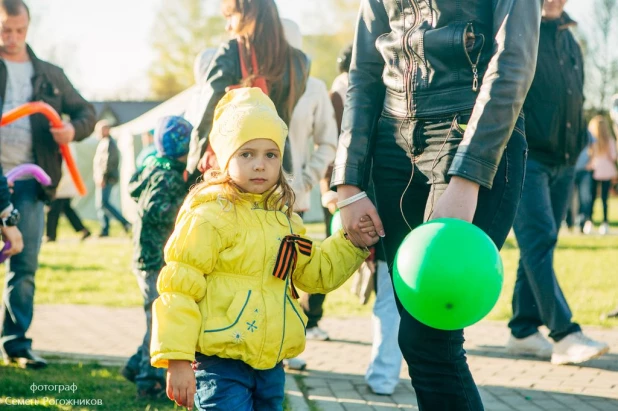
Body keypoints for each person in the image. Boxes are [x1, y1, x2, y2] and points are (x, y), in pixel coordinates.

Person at [333, 0, 542, 409]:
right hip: (391, 149)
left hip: (471, 136)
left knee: (431, 337)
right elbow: (362, 72)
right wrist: (349, 182)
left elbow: (512, 61)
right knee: (417, 338)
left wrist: (469, 176)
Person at [150, 88, 370, 410]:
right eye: (247, 154)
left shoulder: (285, 220)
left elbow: (316, 273)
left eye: (271, 155)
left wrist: (352, 242)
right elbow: (178, 287)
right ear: (225, 159)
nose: (260, 165)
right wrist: (178, 358)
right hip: (219, 364)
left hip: (271, 365)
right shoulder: (209, 216)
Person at [506, 1, 609, 366]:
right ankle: (565, 334)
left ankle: (521, 329)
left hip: (564, 160)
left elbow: (574, 98)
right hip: (525, 156)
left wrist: (580, 142)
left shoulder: (570, 39)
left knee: (540, 242)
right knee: (539, 237)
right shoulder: (515, 27)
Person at [0, 0, 95, 369]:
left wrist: (72, 130)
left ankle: (17, 344)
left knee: (23, 265)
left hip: (29, 182)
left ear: (28, 27)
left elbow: (86, 112)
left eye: (19, 31)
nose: (11, 37)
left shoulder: (50, 75)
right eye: (5, 29)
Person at [186, 0, 309, 181]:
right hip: (279, 166)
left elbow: (208, 114)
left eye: (230, 16)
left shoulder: (231, 52)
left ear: (249, 13)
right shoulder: (300, 61)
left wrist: (191, 169)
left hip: (239, 167)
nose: (228, 26)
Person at [121, 116, 193, 399]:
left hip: (146, 257)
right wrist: (184, 210)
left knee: (155, 317)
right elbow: (155, 209)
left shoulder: (154, 167)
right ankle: (148, 382)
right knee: (159, 322)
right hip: (153, 260)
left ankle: (133, 366)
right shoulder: (168, 176)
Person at [281, 19, 338, 344]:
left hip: (294, 201)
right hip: (247, 199)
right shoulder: (248, 79)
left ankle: (289, 343)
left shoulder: (314, 88)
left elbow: (327, 142)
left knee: (288, 274)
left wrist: (303, 181)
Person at [92, 119, 131, 237]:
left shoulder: (109, 143)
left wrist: (103, 177)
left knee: (104, 203)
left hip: (106, 178)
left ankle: (124, 223)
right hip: (102, 178)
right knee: (102, 204)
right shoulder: (104, 142)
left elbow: (108, 162)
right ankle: (105, 229)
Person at [45, 148, 91, 242]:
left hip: (62, 187)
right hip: (63, 186)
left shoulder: (65, 149)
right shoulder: (67, 148)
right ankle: (83, 230)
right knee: (67, 209)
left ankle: (51, 235)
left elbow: (64, 169)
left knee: (53, 211)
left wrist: (55, 186)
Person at [589, 115, 617, 236]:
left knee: (592, 198)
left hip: (594, 170)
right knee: (605, 199)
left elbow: (588, 155)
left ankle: (589, 222)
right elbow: (613, 157)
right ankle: (604, 223)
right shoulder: (610, 140)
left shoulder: (592, 140)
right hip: (606, 171)